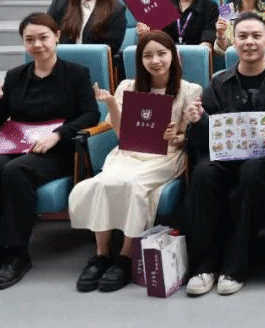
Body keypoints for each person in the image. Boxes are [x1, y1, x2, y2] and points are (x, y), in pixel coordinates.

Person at [0, 13, 99, 292]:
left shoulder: (76, 73)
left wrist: (58, 135)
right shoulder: (15, 76)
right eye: (29, 39)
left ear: (57, 36)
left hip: (55, 150)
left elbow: (91, 114)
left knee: (16, 171)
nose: (37, 44)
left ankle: (17, 254)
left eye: (43, 37)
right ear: (23, 43)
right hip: (18, 144)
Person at [68, 31, 200, 293]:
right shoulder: (127, 87)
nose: (155, 61)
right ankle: (101, 254)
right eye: (148, 55)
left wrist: (176, 136)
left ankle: (125, 257)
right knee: (103, 183)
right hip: (128, 153)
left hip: (165, 156)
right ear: (140, 60)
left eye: (161, 54)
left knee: (134, 185)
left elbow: (187, 138)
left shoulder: (189, 90)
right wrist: (111, 104)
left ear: (173, 56)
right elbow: (121, 135)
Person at [184, 13, 265, 296]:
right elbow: (202, 141)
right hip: (224, 160)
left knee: (252, 173)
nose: (249, 42)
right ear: (233, 42)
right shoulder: (219, 83)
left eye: (256, 36)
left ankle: (235, 266)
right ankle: (203, 266)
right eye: (243, 37)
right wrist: (198, 121)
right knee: (202, 174)